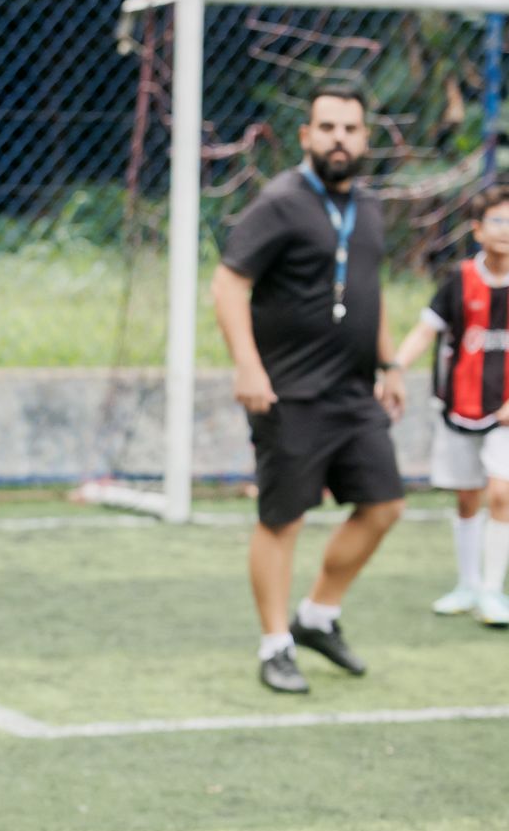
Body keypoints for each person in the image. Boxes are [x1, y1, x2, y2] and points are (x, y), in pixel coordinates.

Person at [212, 86, 406, 694]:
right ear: (305, 136)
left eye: (350, 128)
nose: (339, 139)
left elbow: (370, 290)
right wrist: (248, 366)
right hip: (287, 392)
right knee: (283, 519)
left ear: (365, 137)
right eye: (327, 127)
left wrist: (391, 363)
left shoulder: (369, 207)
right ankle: (276, 644)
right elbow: (227, 285)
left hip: (354, 391)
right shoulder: (280, 203)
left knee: (383, 507)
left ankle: (318, 616)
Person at [392, 184, 509, 627]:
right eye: (498, 220)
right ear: (478, 230)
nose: (507, 230)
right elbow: (426, 331)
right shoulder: (459, 280)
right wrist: (395, 367)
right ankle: (468, 584)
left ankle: (493, 592)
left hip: (506, 413)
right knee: (467, 498)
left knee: (502, 492)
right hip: (461, 408)